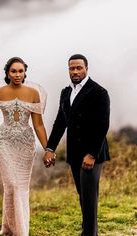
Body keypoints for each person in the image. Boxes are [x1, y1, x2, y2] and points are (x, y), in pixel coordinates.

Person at [44, 54, 110, 236]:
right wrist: (50, 148)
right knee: (83, 196)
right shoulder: (66, 92)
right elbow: (60, 122)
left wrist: (92, 154)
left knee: (89, 198)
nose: (75, 71)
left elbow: (103, 124)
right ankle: (88, 232)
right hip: (74, 153)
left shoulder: (99, 92)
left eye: (78, 68)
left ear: (86, 68)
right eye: (71, 68)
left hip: (91, 154)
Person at [0, 57, 49, 236]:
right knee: (11, 183)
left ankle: (14, 229)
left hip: (26, 143)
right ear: (7, 73)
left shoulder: (34, 93)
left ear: (25, 72)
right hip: (4, 141)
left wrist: (48, 149)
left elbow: (39, 125)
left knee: (20, 186)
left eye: (20, 71)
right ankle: (14, 229)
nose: (17, 74)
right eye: (14, 71)